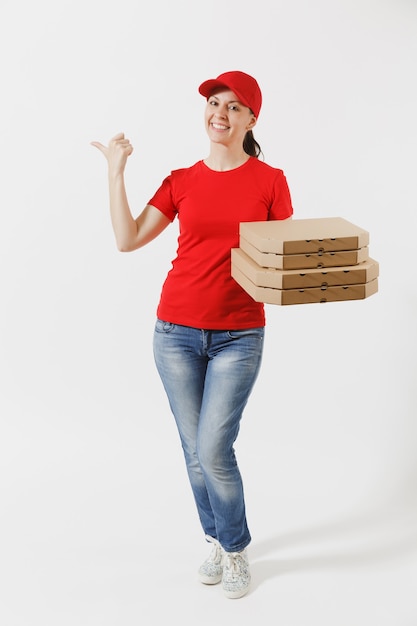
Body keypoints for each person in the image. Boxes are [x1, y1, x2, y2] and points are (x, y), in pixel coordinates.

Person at [91, 70, 293, 599]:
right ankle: (216, 538)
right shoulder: (182, 180)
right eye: (213, 104)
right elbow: (127, 238)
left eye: (232, 106)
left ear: (252, 119)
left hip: (239, 336)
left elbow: (283, 259)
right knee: (194, 449)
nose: (219, 114)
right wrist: (116, 171)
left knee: (213, 446)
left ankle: (235, 547)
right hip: (175, 333)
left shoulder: (270, 181)